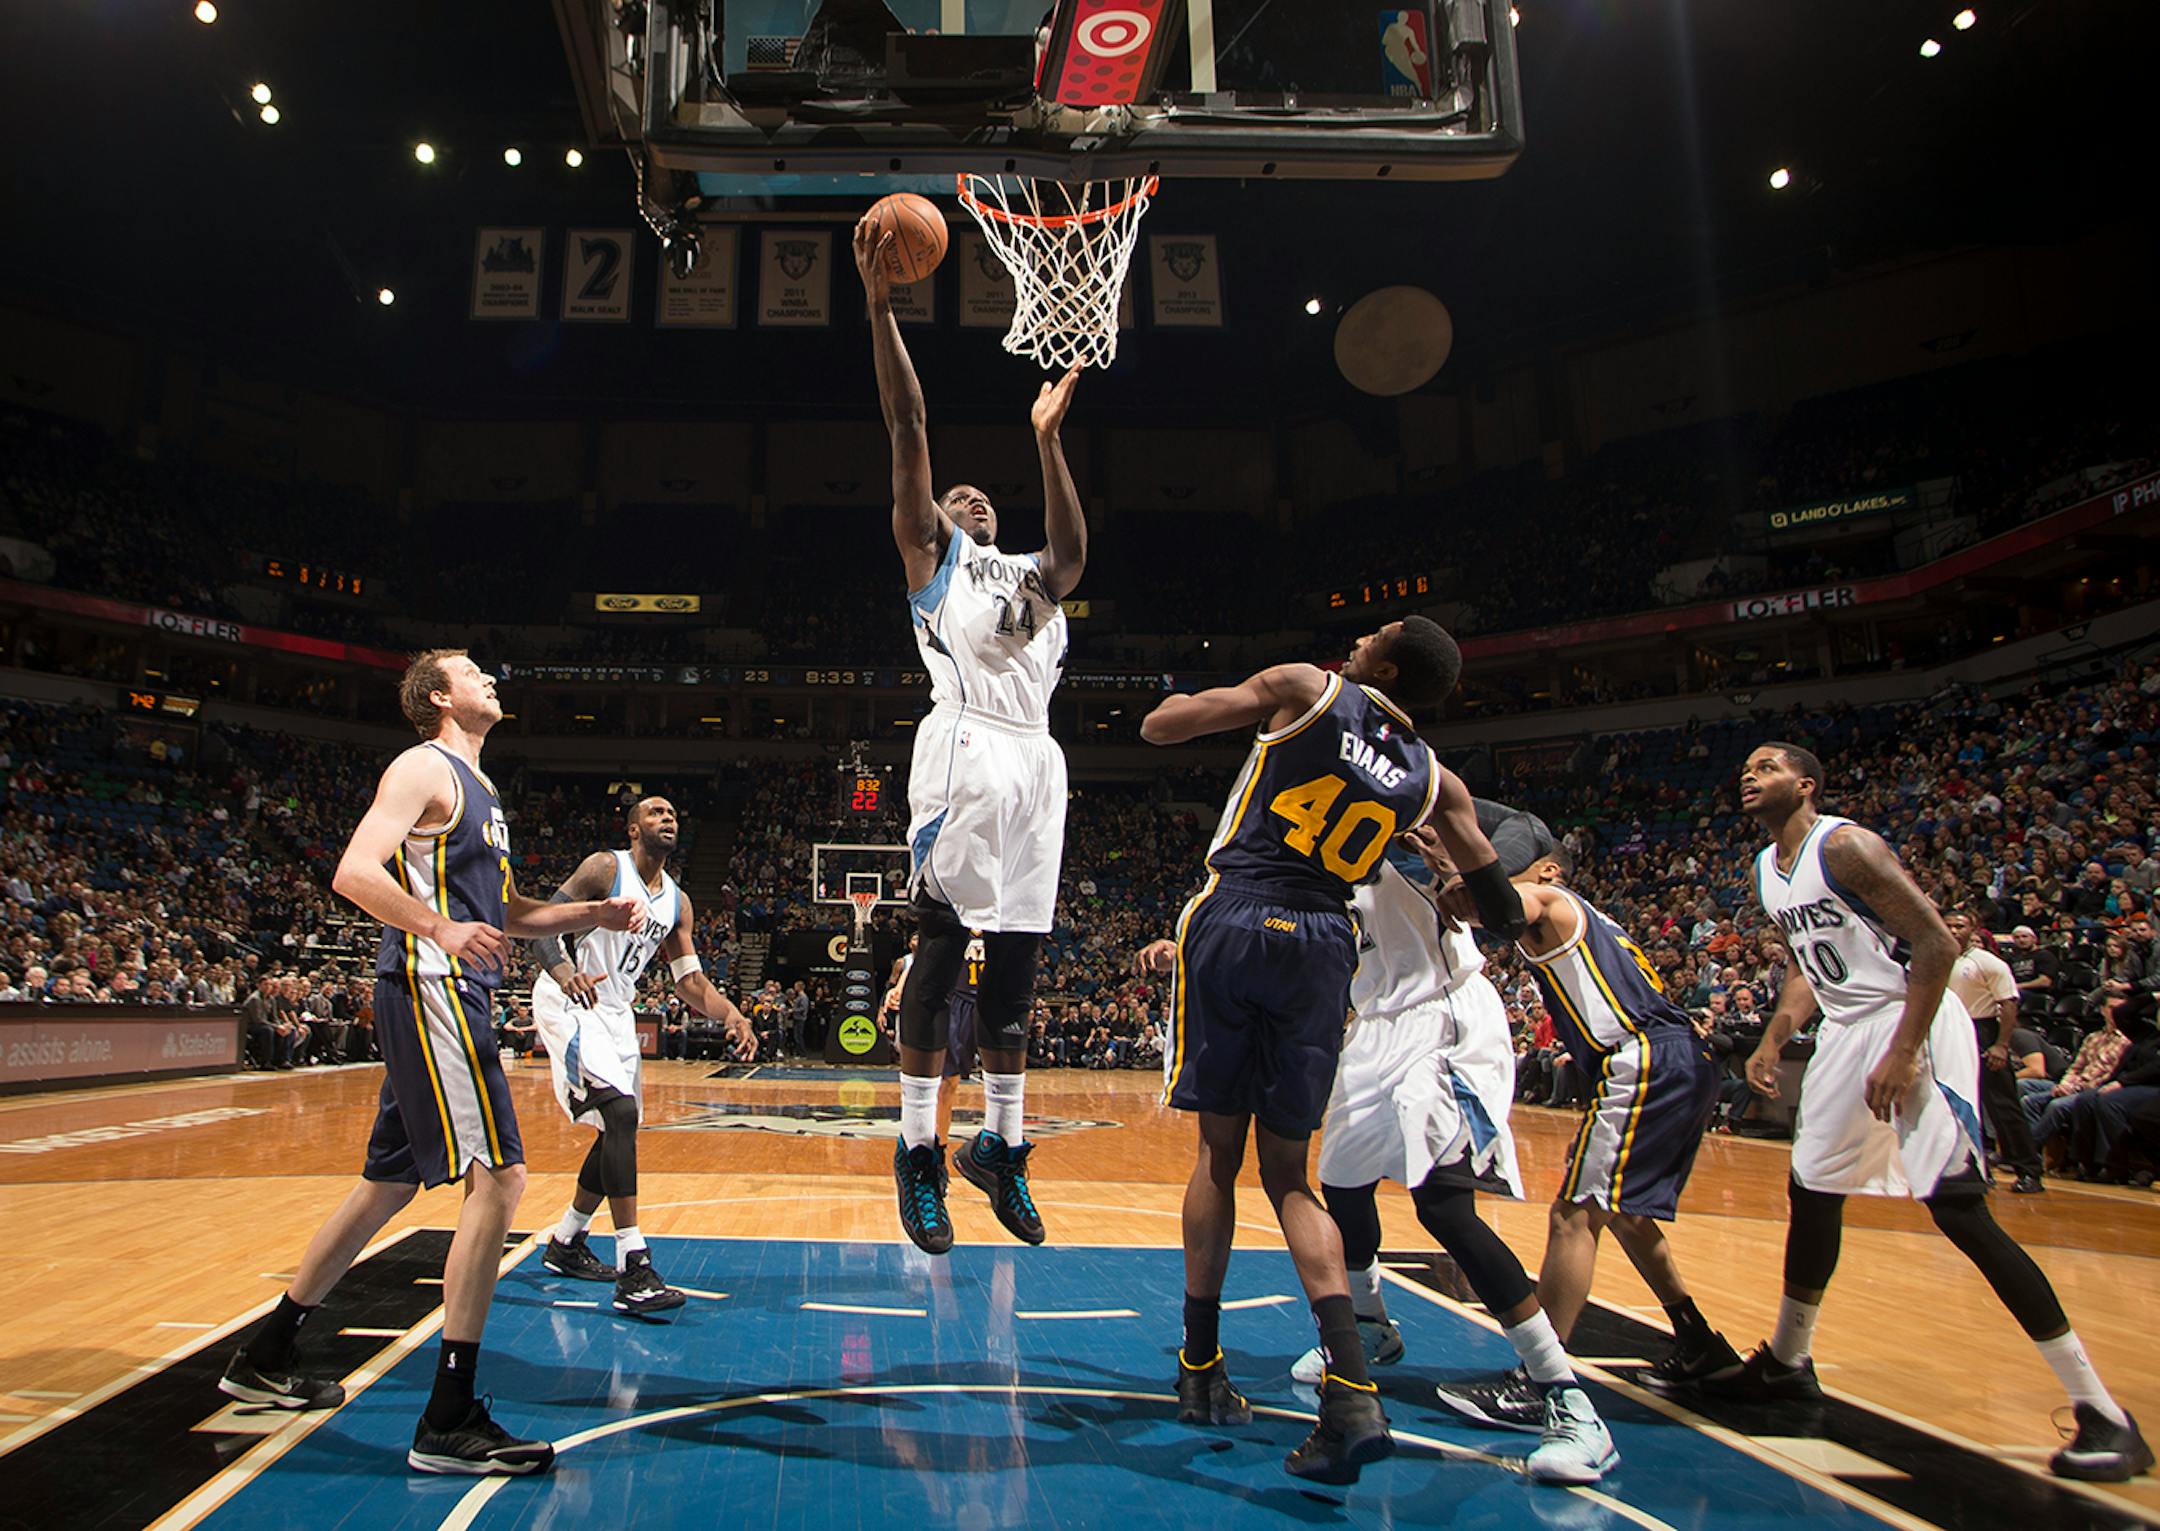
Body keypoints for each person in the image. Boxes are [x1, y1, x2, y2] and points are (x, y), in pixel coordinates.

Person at [218, 650, 645, 1475]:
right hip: (433, 984)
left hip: (454, 987)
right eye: (475, 672)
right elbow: (352, 871)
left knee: (387, 1181)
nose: (493, 679)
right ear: (439, 696)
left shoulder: (483, 791)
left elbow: (511, 912)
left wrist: (593, 910)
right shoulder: (422, 765)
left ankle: (265, 1354)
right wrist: (439, 930)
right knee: (503, 1177)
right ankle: (448, 1417)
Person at [1139, 618, 1522, 1485]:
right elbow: (1500, 908)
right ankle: (1351, 1390)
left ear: (1381, 665)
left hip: (1239, 911)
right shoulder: (1436, 781)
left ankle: (1201, 1364)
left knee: (1216, 1153)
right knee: (1289, 1175)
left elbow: (1162, 727)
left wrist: (1189, 704)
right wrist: (1456, 881)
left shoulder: (1306, 687)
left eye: (1374, 633)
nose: (1357, 635)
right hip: (1323, 940)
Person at [1722, 741, 2150, 1482]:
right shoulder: (1766, 869)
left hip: (1910, 1018)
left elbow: (1935, 941)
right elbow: (1807, 960)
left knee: (1958, 1208)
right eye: (1746, 768)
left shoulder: (1846, 845)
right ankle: (1789, 1362)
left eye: (1768, 765)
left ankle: (2103, 1412)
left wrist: (1906, 1048)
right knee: (1812, 1193)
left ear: (1806, 783)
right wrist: (1774, 1035)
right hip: (1845, 1029)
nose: (1750, 776)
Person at [856, 213, 1087, 1254]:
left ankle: (1000, 1144)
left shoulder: (1034, 579)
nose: (971, 495)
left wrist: (1046, 443)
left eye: (983, 492)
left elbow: (1075, 557)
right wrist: (879, 306)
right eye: (958, 495)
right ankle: (915, 1149)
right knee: (944, 959)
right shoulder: (933, 561)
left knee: (1022, 971)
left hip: (1040, 761)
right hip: (965, 750)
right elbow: (908, 428)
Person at [1431, 840, 1730, 1483]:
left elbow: (1502, 904)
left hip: (1641, 1058)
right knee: (1624, 1216)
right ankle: (1700, 1342)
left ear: (1548, 867)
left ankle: (1540, 1377)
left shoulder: (1551, 897)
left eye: (1506, 864)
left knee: (1573, 1217)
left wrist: (1460, 873)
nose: (1498, 875)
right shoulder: (1590, 919)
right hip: (1674, 1058)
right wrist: (1445, 867)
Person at [530, 797, 757, 1316]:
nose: (668, 818)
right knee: (620, 1113)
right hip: (571, 997)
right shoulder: (605, 867)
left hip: (616, 1009)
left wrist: (732, 1015)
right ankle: (634, 1265)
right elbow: (540, 926)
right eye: (656, 812)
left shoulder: (677, 901)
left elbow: (691, 983)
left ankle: (567, 1243)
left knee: (619, 1130)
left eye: (673, 812)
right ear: (634, 829)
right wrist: (566, 974)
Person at [1944, 911, 2044, 1193]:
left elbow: (2009, 1004)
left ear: (1972, 928)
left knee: (2003, 1105)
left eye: (1959, 926)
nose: (1953, 930)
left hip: (1983, 1030)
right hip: (1949, 1030)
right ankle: (1974, 1168)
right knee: (1958, 1102)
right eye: (1949, 925)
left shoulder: (1988, 962)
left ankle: (2029, 1169)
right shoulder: (1938, 956)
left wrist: (2000, 1044)